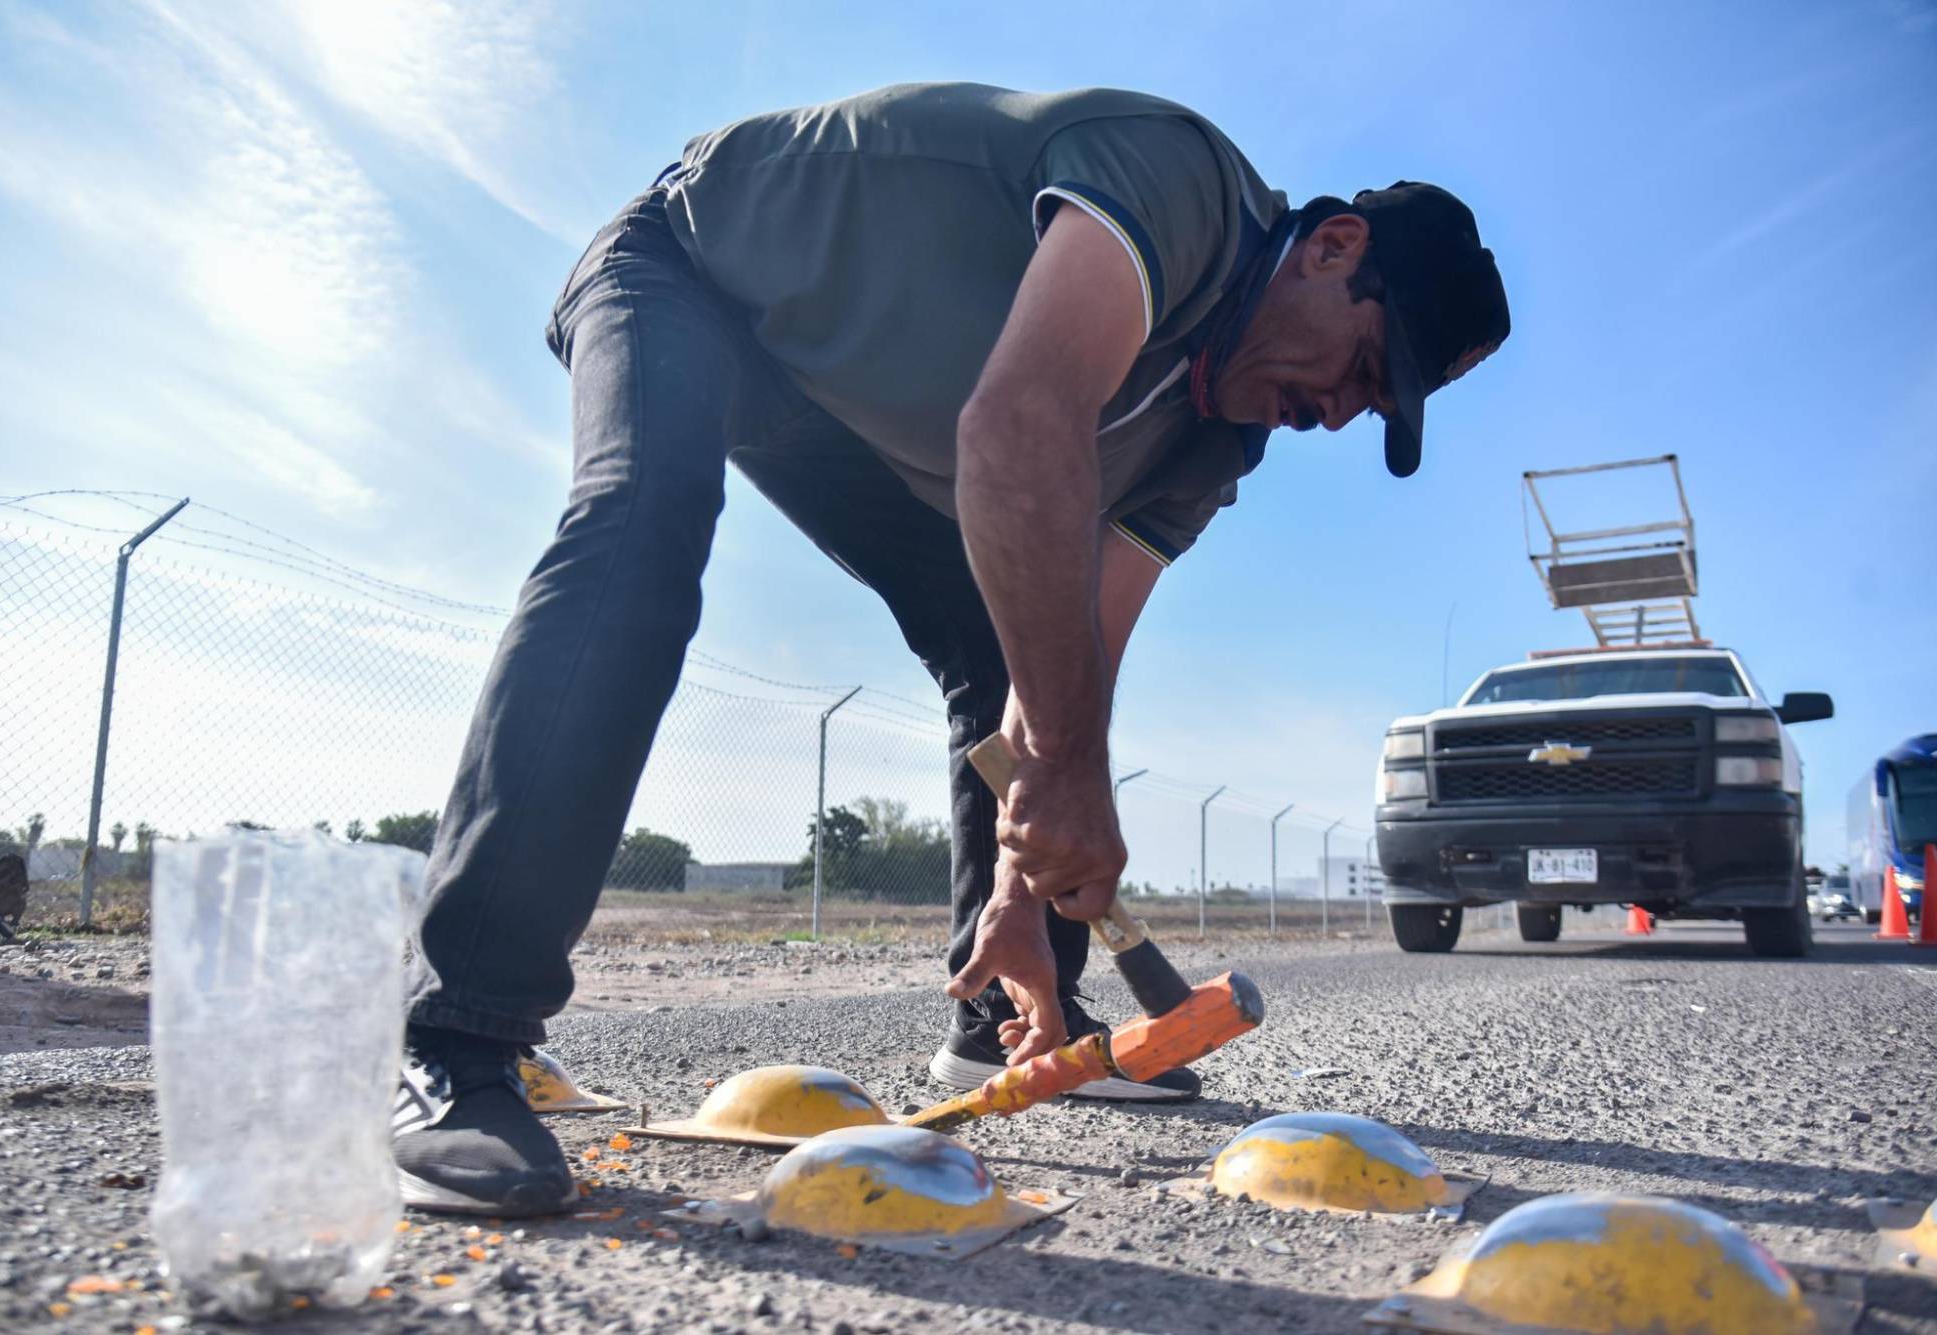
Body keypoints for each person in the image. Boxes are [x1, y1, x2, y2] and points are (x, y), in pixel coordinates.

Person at [391, 82, 1511, 1215]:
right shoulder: (1183, 189)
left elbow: (1076, 652)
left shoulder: (1212, 447)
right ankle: (455, 1040)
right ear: (1331, 248)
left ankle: (1002, 1016)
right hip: (689, 268)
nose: (1337, 414)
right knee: (641, 520)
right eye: (1364, 370)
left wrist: (1025, 885)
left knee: (1012, 641)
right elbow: (1020, 420)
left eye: (1372, 410)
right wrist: (1061, 774)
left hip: (836, 408)